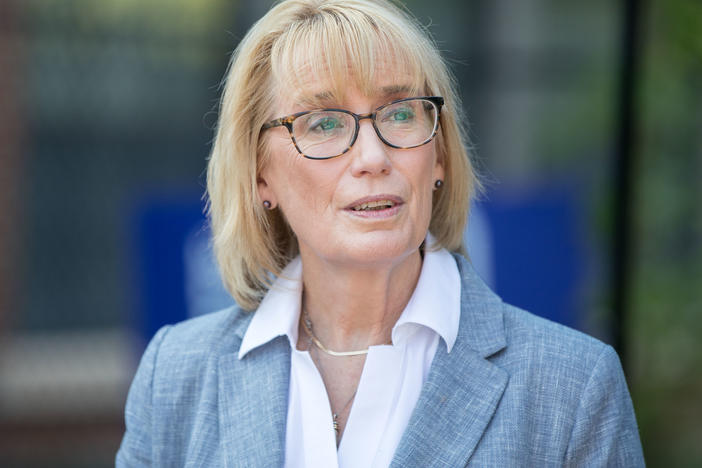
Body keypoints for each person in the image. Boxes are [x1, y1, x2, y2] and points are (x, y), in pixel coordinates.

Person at [116, 0, 645, 466]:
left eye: (399, 114)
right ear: (260, 175)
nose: (372, 157)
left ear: (438, 154)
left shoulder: (571, 388)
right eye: (323, 123)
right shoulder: (175, 375)